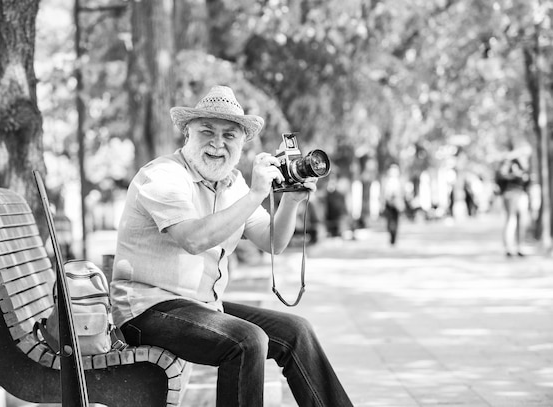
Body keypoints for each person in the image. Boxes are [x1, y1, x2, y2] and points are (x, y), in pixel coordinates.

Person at [110, 86, 354, 407]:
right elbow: (193, 239)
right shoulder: (163, 176)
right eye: (206, 131)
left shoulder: (233, 182)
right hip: (146, 310)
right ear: (187, 134)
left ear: (241, 143)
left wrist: (291, 201)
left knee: (297, 331)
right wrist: (255, 194)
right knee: (247, 341)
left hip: (201, 307)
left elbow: (273, 242)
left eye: (229, 135)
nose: (217, 143)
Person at [495, 145, 532, 257]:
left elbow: (526, 177)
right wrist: (514, 175)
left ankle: (519, 246)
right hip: (510, 194)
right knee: (511, 221)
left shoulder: (522, 163)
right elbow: (501, 176)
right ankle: (509, 248)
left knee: (521, 221)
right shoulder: (507, 162)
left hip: (520, 194)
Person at [381, 163, 405, 246]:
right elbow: (383, 193)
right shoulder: (386, 180)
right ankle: (391, 234)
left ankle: (394, 238)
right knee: (389, 222)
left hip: (397, 205)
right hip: (388, 204)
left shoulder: (400, 181)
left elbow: (403, 193)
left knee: (395, 221)